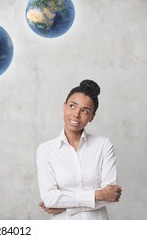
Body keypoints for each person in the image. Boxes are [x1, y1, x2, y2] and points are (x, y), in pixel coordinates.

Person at [36, 80, 122, 220]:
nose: (76, 114)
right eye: (72, 106)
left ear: (92, 116)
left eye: (85, 111)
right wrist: (97, 195)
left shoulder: (103, 145)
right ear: (64, 106)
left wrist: (64, 205)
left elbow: (111, 196)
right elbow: (50, 198)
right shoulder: (46, 150)